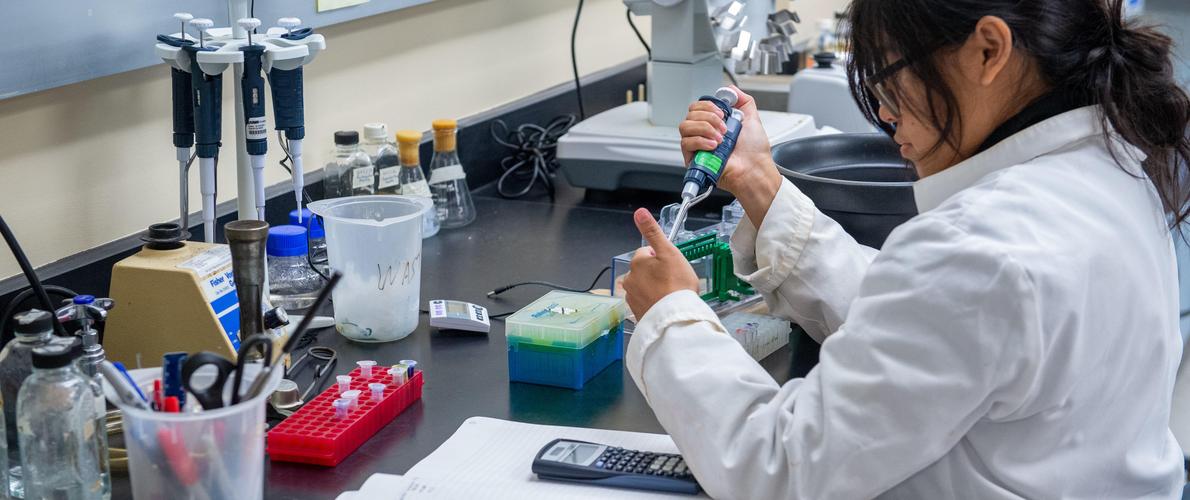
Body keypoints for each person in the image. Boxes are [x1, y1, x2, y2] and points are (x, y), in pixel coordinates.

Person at [621, 0, 1190, 498]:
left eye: (888, 80)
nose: (886, 112)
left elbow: (780, 469)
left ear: (988, 50)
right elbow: (929, 327)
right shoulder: (1114, 168)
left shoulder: (983, 245)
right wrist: (758, 184)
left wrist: (672, 317)